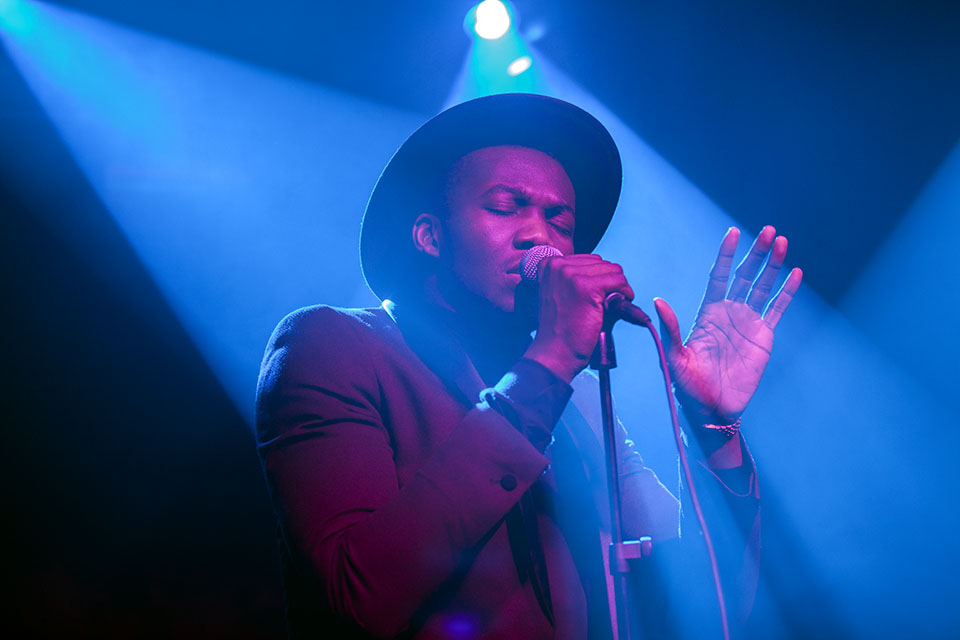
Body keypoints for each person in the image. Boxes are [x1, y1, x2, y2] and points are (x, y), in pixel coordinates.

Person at [255, 93, 801, 639]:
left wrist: (712, 428)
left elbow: (702, 602)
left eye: (558, 219)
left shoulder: (579, 400)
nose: (539, 234)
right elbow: (354, 601)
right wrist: (553, 360)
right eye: (505, 206)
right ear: (430, 236)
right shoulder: (332, 344)